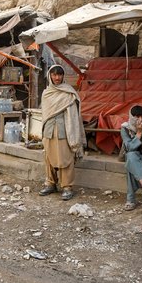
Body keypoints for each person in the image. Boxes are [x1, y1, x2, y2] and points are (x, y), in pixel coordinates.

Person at [39, 65, 86, 201]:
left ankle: (67, 187)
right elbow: (45, 113)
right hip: (49, 130)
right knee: (48, 158)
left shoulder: (69, 92)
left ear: (63, 76)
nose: (57, 78)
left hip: (65, 130)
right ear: (50, 76)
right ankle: (50, 184)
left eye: (59, 75)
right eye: (54, 75)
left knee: (66, 158)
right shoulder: (47, 92)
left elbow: (73, 114)